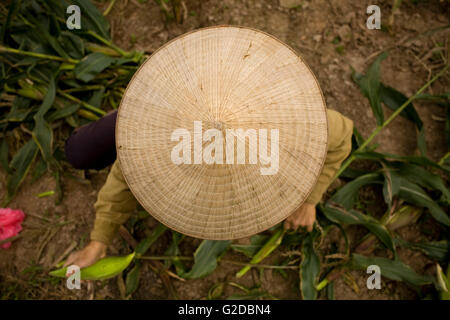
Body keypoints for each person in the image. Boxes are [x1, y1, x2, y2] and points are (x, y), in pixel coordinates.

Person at [63, 109, 353, 269]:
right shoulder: (154, 136)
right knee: (79, 152)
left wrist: (309, 200)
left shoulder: (296, 122)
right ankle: (118, 116)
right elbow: (122, 183)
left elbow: (344, 135)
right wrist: (99, 240)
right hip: (149, 109)